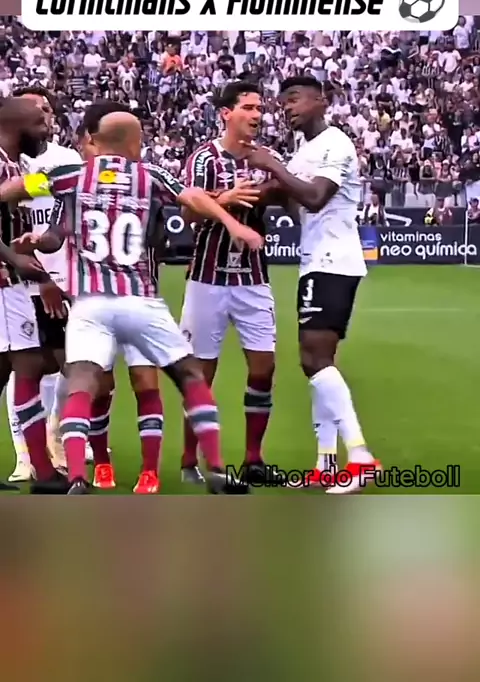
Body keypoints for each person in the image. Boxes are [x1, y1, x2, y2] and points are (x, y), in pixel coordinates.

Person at [2, 108, 263, 494]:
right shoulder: (150, 175)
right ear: (135, 143)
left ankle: (77, 476)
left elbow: (17, 189)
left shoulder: (68, 175)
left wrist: (33, 237)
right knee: (190, 376)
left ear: (96, 141)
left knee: (81, 383)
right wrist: (233, 223)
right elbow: (191, 196)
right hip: (140, 299)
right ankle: (217, 467)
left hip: (91, 303)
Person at [240, 76, 381, 494]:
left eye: (295, 99)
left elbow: (317, 197)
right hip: (317, 262)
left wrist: (273, 167)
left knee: (315, 359)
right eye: (283, 102)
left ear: (321, 101)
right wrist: (250, 192)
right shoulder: (303, 151)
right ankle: (325, 465)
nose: (287, 108)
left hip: (334, 262)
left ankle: (360, 457)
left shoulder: (336, 144)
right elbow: (293, 201)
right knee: (316, 362)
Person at [179, 82, 277, 485]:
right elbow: (188, 214)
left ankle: (254, 459)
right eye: (248, 108)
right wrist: (226, 199)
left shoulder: (265, 159)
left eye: (259, 109)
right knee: (201, 373)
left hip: (253, 278)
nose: (256, 115)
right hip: (208, 278)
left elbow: (283, 197)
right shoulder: (204, 158)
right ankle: (189, 460)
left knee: (264, 368)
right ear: (226, 113)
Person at [75, 107, 168, 494]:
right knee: (101, 386)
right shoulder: (77, 180)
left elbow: (178, 214)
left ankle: (150, 471)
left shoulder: (148, 180)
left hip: (141, 299)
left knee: (146, 383)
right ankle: (103, 464)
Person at [5, 86, 86, 483]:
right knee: (27, 364)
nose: (45, 123)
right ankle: (36, 464)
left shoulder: (43, 162)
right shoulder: (7, 163)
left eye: (47, 114)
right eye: (36, 118)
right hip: (15, 282)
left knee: (34, 365)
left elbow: (63, 213)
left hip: (37, 278)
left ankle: (49, 454)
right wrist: (19, 262)